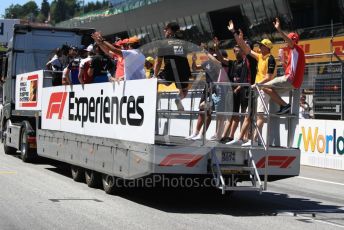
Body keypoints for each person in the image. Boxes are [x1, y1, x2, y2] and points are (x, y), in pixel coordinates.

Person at [226, 20, 276, 147]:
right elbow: (245, 48)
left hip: (262, 89)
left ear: (267, 47)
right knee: (248, 114)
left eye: (262, 45)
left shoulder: (270, 58)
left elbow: (269, 77)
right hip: (256, 89)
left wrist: (257, 84)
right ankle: (240, 138)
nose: (259, 47)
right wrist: (234, 33)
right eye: (259, 45)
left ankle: (253, 140)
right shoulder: (260, 57)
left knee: (259, 116)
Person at [261, 18, 306, 115]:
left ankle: (285, 106)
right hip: (294, 83)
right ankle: (283, 106)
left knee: (263, 86)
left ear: (292, 41)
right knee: (269, 89)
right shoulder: (295, 53)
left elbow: (290, 41)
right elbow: (289, 70)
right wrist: (283, 61)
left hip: (290, 80)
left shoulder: (296, 49)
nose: (285, 41)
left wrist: (279, 29)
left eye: (287, 39)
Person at [154, 22, 191, 111]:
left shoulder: (163, 43)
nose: (164, 31)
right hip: (183, 70)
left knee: (155, 82)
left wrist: (154, 75)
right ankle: (178, 99)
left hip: (169, 72)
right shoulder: (184, 42)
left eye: (166, 29)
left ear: (170, 30)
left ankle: (155, 103)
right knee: (184, 91)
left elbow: (158, 62)